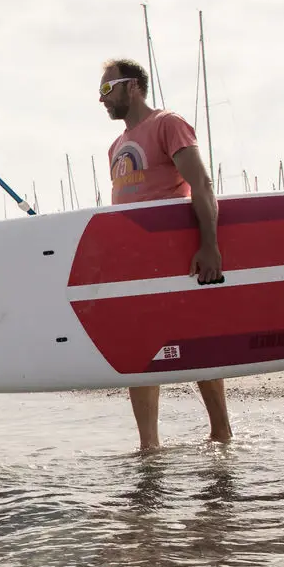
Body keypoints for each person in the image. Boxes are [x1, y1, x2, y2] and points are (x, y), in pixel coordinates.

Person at [98, 59, 233, 451]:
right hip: (135, 264)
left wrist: (209, 246)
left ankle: (221, 434)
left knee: (197, 344)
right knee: (138, 349)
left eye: (108, 90)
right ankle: (149, 448)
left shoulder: (167, 124)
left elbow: (202, 184)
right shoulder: (115, 147)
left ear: (133, 87)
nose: (102, 99)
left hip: (177, 258)